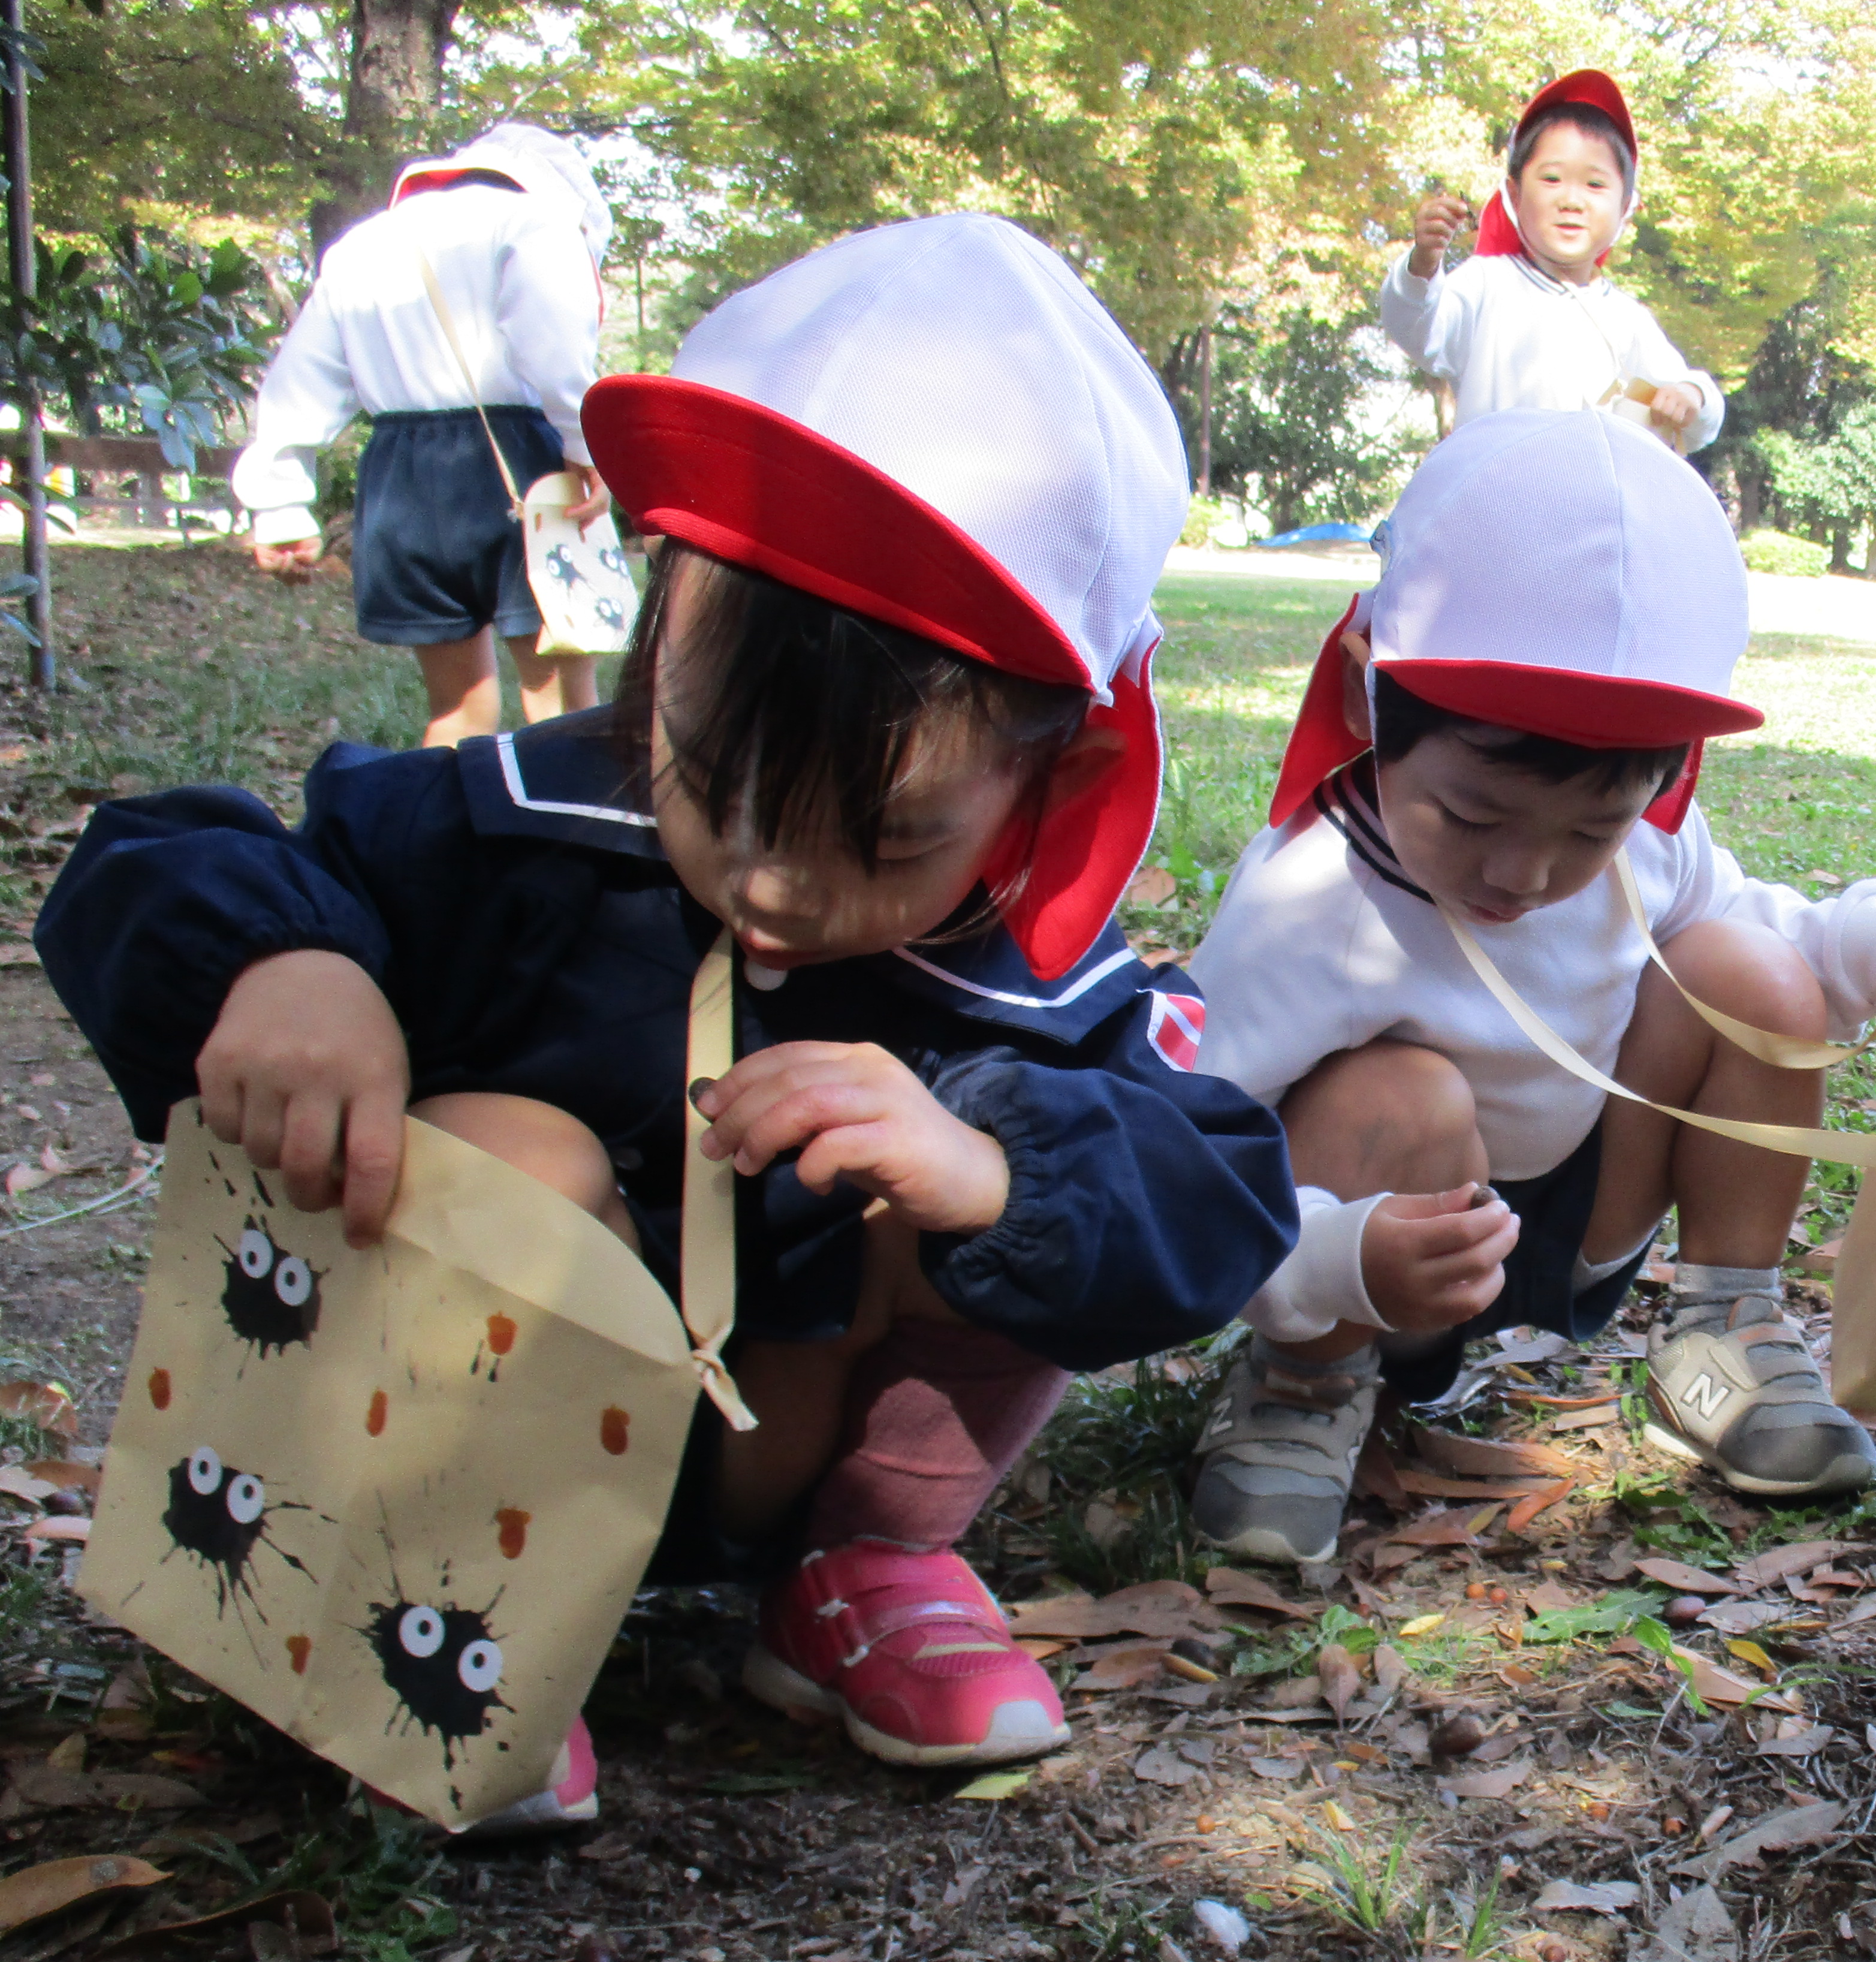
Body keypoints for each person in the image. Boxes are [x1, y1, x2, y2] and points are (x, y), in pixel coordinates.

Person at [43, 216, 1299, 1827]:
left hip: (790, 1456)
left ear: (1051, 771)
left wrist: (990, 1173)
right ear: (657, 639)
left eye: (888, 838)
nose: (773, 876)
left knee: (1009, 1149)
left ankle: (867, 1564)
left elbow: (1221, 1186)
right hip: (468, 1476)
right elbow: (157, 859)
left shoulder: (1030, 971)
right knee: (519, 1147)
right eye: (709, 778)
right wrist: (284, 965)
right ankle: (453, 1620)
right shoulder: (513, 833)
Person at [1183, 406, 1876, 1575]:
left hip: (1575, 1212)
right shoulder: (1310, 902)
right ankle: (1306, 1380)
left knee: (1745, 974)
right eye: (1469, 814)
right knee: (1397, 1091)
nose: (1524, 873)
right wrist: (1325, 1266)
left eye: (1594, 826)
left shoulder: (1643, 846)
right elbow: (1182, 1143)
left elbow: (1745, 924)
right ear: (1375, 697)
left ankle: (1722, 1330)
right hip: (1375, 1242)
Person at [231, 123, 618, 745]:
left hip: (400, 478)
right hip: (520, 462)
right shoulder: (534, 222)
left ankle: (447, 838)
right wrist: (585, 444)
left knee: (457, 711)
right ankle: (569, 839)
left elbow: (302, 376)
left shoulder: (361, 245)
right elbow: (553, 343)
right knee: (563, 703)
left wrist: (279, 502)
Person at [1383, 71, 1725, 454]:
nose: (1572, 201)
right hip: (1494, 505)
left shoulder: (1625, 321)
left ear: (1625, 206)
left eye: (1595, 185)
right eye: (1551, 179)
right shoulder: (1487, 285)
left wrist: (1691, 395)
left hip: (1591, 512)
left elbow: (1694, 422)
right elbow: (1420, 332)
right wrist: (1423, 266)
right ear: (1514, 194)